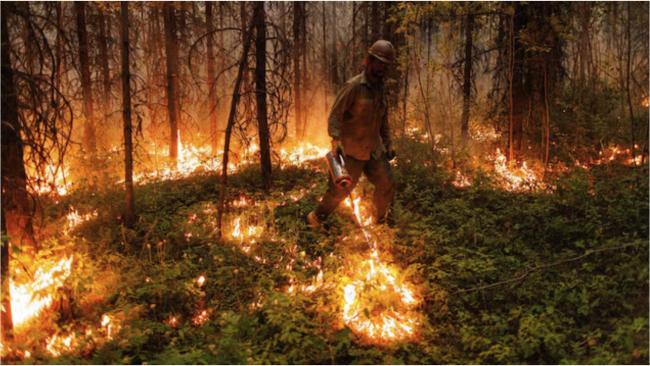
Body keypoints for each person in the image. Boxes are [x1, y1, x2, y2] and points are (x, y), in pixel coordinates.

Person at [307, 39, 396, 229]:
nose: (381, 68)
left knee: (386, 183)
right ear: (369, 61)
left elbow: (383, 119)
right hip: (351, 152)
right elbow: (335, 115)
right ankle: (316, 218)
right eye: (379, 63)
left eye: (385, 65)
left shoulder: (381, 89)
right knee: (339, 191)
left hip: (374, 150)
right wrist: (336, 139)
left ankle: (380, 223)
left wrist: (388, 143)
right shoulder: (354, 87)